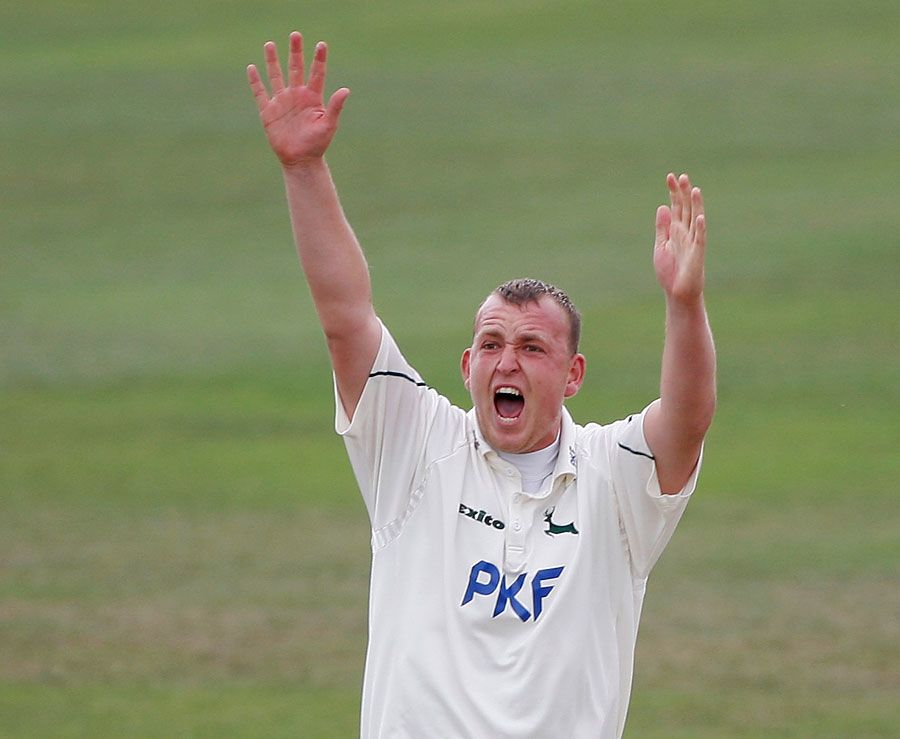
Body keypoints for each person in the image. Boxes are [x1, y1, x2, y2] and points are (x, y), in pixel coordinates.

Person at [247, 32, 716, 739]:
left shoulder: (612, 479)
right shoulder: (412, 442)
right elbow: (346, 318)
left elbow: (687, 418)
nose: (506, 362)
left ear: (573, 374)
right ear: (467, 366)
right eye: (491, 344)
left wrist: (683, 305)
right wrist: (304, 169)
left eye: (532, 347)